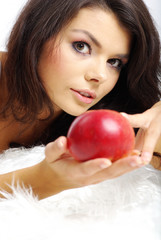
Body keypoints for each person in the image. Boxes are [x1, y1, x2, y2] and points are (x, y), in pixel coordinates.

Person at [0, 0, 160, 200]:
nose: (100, 75)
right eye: (81, 46)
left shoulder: (111, 120)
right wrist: (46, 179)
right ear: (37, 34)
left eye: (114, 62)